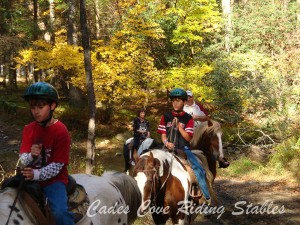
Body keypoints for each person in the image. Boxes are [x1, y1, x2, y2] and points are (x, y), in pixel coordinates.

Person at [19, 82, 74, 225]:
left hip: (54, 180)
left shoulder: (61, 131)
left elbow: (57, 166)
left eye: (41, 106)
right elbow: (23, 159)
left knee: (60, 213)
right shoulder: (28, 129)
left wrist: (36, 174)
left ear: (52, 106)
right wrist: (31, 156)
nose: (36, 111)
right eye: (32, 107)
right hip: (30, 177)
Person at [157, 87, 210, 200]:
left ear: (184, 102)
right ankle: (151, 199)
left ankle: (206, 198)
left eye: (179, 101)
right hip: (166, 148)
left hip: (183, 148)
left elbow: (188, 137)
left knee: (199, 170)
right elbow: (163, 135)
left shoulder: (188, 118)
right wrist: (166, 143)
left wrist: (179, 127)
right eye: (173, 101)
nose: (175, 103)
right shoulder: (165, 116)